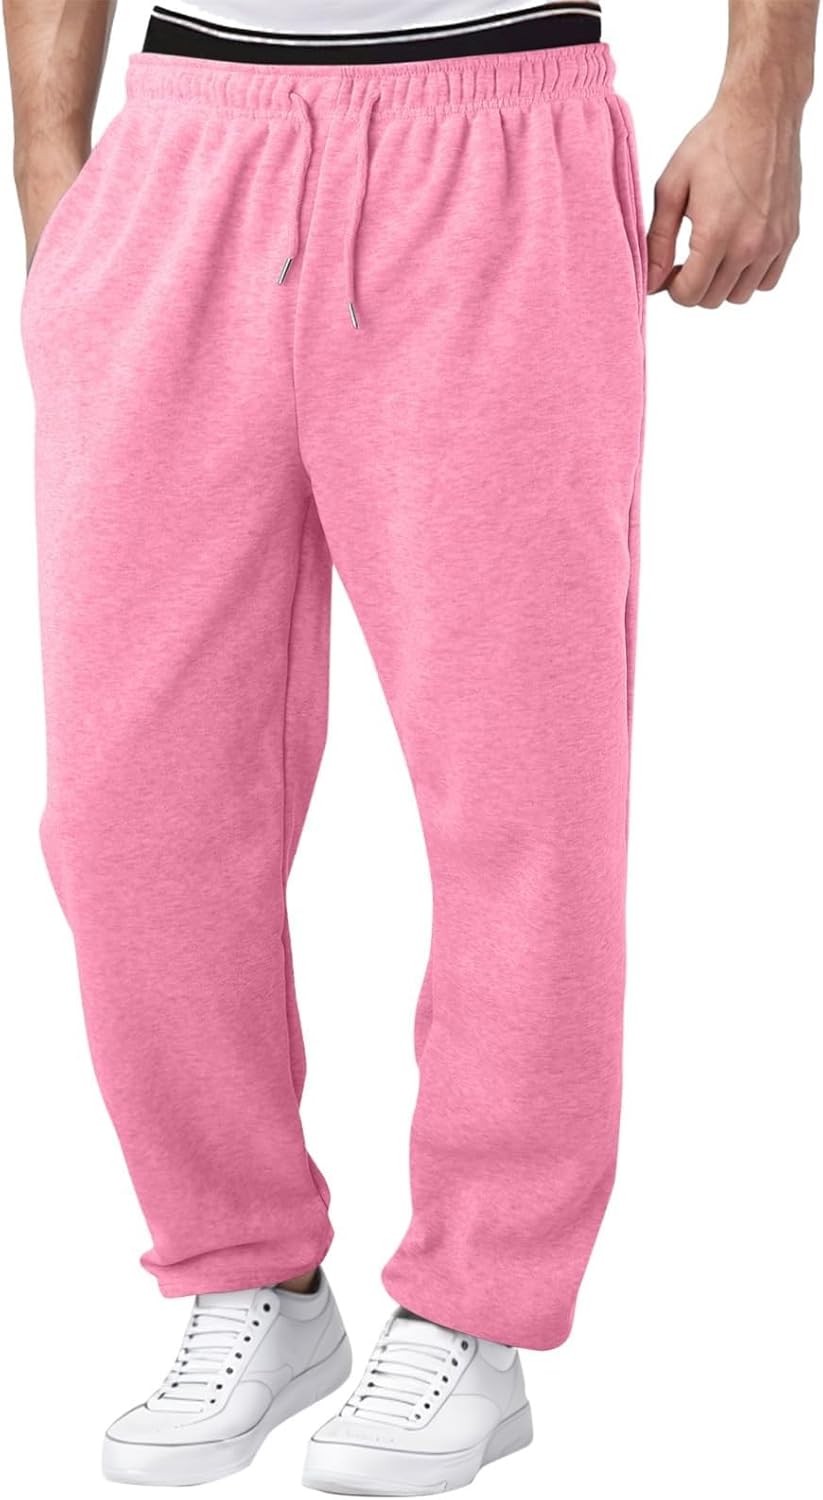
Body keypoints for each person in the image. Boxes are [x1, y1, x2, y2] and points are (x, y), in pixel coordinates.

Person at [5, 0, 818, 1492]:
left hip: (497, 126)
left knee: (521, 788)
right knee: (130, 807)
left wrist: (767, 89)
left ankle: (475, 1306)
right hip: (183, 141)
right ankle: (243, 1270)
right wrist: (53, 171)